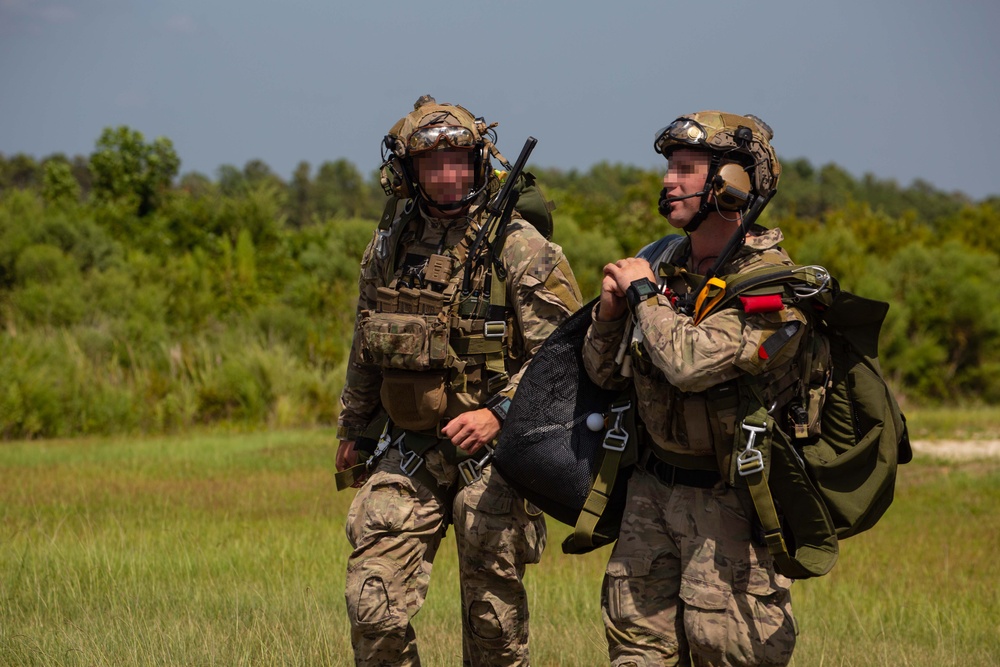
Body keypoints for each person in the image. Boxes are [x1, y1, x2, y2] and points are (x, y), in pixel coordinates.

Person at [335, 95, 583, 667]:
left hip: (493, 452)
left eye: (460, 162)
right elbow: (366, 339)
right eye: (432, 164)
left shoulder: (520, 245)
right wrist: (353, 425)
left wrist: (498, 413)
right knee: (371, 602)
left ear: (480, 164)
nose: (448, 177)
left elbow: (567, 354)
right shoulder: (390, 243)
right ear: (409, 172)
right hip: (409, 447)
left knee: (494, 625)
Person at [582, 111, 802, 666]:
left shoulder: (773, 287)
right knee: (634, 650)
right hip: (650, 492)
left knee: (729, 652)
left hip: (728, 503)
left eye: (685, 169)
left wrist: (642, 298)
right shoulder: (663, 265)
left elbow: (690, 363)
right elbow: (604, 374)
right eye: (668, 168)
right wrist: (610, 314)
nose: (668, 181)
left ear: (734, 185)